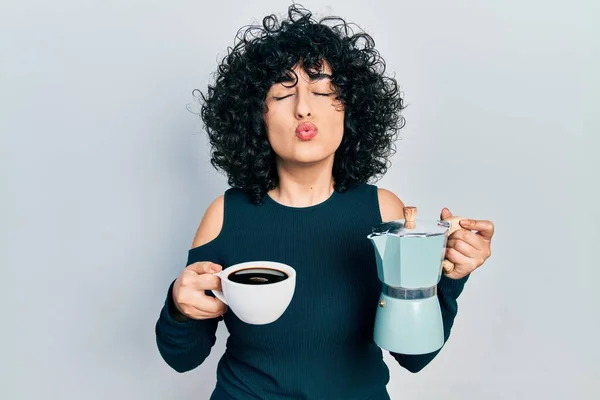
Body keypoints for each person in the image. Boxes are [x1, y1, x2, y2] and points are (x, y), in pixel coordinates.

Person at [155, 4, 494, 399]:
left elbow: (413, 355)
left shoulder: (383, 211)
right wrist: (180, 307)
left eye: (321, 90)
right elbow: (182, 357)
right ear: (255, 117)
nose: (303, 106)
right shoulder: (224, 215)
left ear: (350, 110)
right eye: (283, 94)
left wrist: (451, 276)